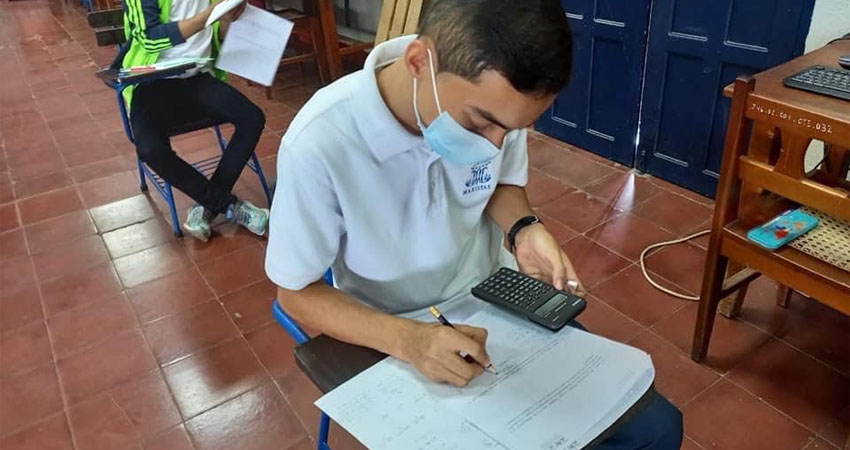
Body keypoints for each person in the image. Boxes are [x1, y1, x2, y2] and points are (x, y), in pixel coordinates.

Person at [265, 0, 683, 448]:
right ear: (419, 62)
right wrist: (412, 342)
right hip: (390, 329)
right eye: (482, 123)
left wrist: (524, 228)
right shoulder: (319, 143)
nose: (495, 144)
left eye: (514, 129)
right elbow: (296, 292)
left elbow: (501, 184)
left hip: (493, 300)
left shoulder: (497, 105)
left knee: (657, 428)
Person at [119, 0, 270, 242]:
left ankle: (209, 205)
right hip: (152, 80)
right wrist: (209, 14)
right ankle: (227, 205)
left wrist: (228, 18)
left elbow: (218, 33)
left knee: (252, 118)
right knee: (150, 149)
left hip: (198, 77)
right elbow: (148, 37)